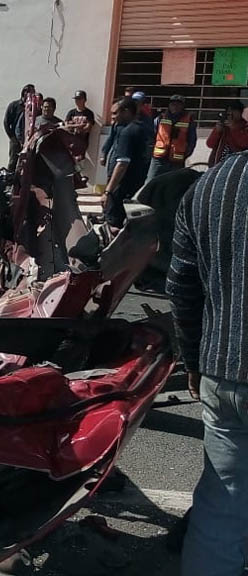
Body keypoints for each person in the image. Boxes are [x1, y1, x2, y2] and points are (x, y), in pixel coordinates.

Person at [166, 150, 248, 576]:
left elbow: (181, 288)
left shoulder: (209, 187)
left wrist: (193, 361)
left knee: (221, 506)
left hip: (223, 371)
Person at [101, 97, 148, 228]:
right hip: (131, 185)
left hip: (122, 187)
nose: (113, 117)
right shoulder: (136, 128)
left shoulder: (129, 132)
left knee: (114, 224)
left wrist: (108, 192)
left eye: (115, 113)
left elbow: (122, 164)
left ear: (126, 112)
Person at [147, 94, 197, 182]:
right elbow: (152, 135)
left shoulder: (189, 121)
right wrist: (151, 150)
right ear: (169, 105)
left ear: (183, 106)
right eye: (173, 104)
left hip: (177, 161)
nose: (175, 107)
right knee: (150, 182)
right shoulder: (160, 118)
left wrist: (186, 153)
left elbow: (192, 140)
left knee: (174, 185)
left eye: (178, 104)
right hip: (158, 159)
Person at [206, 101, 248, 166]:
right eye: (228, 112)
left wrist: (234, 129)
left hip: (237, 164)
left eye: (234, 111)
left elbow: (244, 144)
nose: (231, 114)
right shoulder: (223, 126)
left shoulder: (245, 126)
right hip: (218, 164)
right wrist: (217, 131)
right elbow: (210, 144)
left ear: (240, 113)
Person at [5, 84, 35, 171]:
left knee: (27, 162)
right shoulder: (14, 105)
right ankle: (10, 181)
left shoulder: (34, 107)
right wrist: (12, 137)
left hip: (29, 140)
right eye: (28, 92)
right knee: (13, 161)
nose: (30, 94)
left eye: (32, 92)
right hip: (16, 139)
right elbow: (6, 122)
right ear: (23, 93)